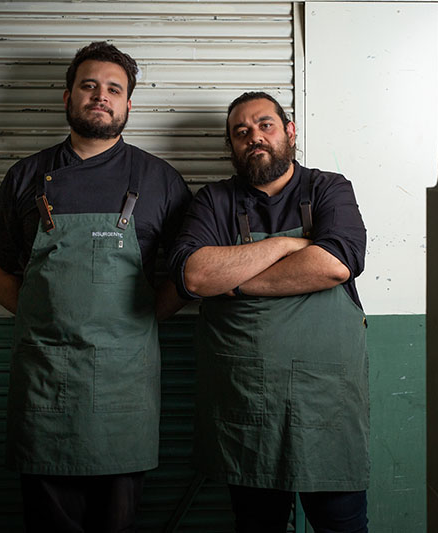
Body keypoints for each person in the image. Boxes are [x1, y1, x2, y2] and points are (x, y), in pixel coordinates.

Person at [0, 41, 191, 532]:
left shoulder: (160, 180)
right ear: (68, 96)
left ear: (129, 104)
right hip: (43, 382)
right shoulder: (26, 176)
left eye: (114, 89)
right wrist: (43, 314)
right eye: (89, 86)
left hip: (124, 387)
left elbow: (189, 276)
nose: (101, 96)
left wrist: (136, 321)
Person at [169, 92, 370, 532]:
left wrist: (236, 282)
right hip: (246, 403)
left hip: (326, 405)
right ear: (232, 146)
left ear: (289, 132)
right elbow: (196, 277)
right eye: (241, 132)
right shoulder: (213, 201)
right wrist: (283, 245)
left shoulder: (328, 187)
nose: (254, 137)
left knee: (342, 525)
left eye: (265, 125)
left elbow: (335, 263)